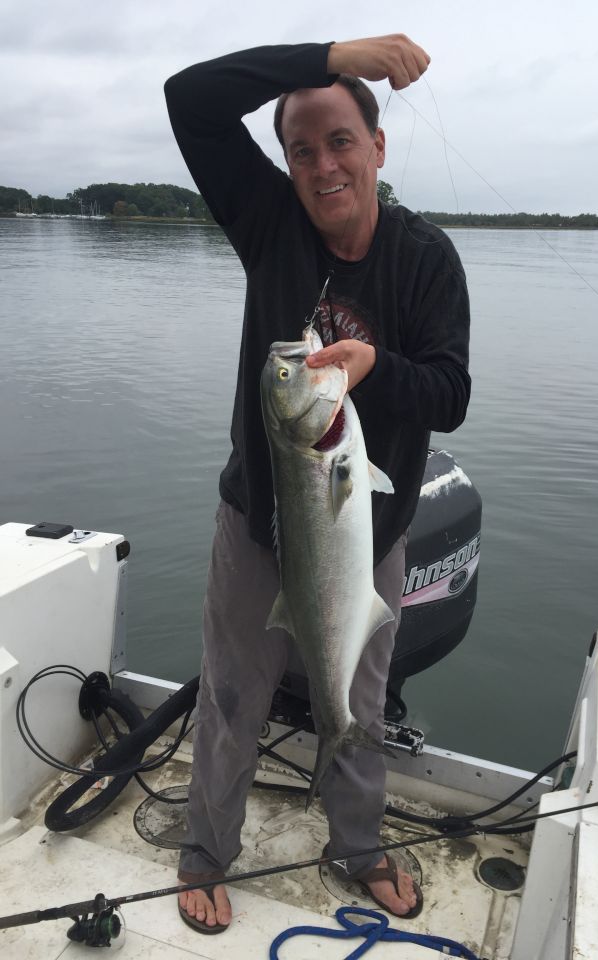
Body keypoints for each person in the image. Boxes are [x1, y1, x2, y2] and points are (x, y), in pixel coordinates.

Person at [164, 34, 471, 933]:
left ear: (378, 146)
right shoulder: (269, 222)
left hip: (369, 534)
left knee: (358, 703)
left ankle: (359, 845)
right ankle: (204, 851)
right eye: (301, 151)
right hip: (257, 523)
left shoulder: (425, 258)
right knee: (232, 695)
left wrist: (375, 369)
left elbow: (450, 395)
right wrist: (334, 55)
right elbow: (190, 97)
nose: (323, 166)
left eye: (341, 142)